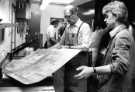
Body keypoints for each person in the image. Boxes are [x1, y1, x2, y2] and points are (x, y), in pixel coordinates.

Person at [75, 1, 135, 92]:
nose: (104, 20)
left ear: (116, 16)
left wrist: (92, 70)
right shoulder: (118, 35)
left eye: (107, 16)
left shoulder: (122, 35)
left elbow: (119, 66)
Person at [53, 5, 92, 92]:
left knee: (78, 88)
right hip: (69, 64)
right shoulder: (68, 27)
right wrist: (50, 50)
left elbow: (85, 47)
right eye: (65, 17)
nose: (67, 19)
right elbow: (61, 43)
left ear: (75, 14)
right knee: (68, 87)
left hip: (79, 64)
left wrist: (68, 47)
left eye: (68, 17)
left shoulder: (84, 27)